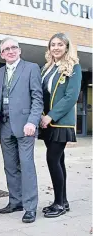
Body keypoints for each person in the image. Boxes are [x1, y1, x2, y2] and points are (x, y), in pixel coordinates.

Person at [0, 37, 43, 223]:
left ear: (20, 50)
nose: (11, 51)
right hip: (4, 126)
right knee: (10, 167)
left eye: (14, 47)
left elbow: (37, 98)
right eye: (6, 49)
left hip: (25, 126)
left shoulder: (31, 68)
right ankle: (15, 201)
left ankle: (30, 207)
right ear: (2, 54)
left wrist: (32, 121)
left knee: (27, 165)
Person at [39, 33, 82, 218]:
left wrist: (51, 116)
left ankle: (58, 203)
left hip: (60, 123)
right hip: (46, 122)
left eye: (60, 44)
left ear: (67, 47)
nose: (56, 47)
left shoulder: (74, 67)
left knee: (52, 159)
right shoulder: (47, 68)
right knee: (59, 161)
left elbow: (70, 97)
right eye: (53, 45)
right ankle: (62, 201)